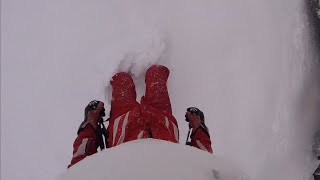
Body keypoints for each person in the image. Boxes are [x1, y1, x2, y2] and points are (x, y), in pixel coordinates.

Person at [68, 65, 213, 168]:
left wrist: (90, 126)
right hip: (163, 124)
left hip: (123, 126)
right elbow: (205, 166)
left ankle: (121, 47)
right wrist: (199, 129)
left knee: (121, 79)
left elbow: (79, 166)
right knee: (157, 72)